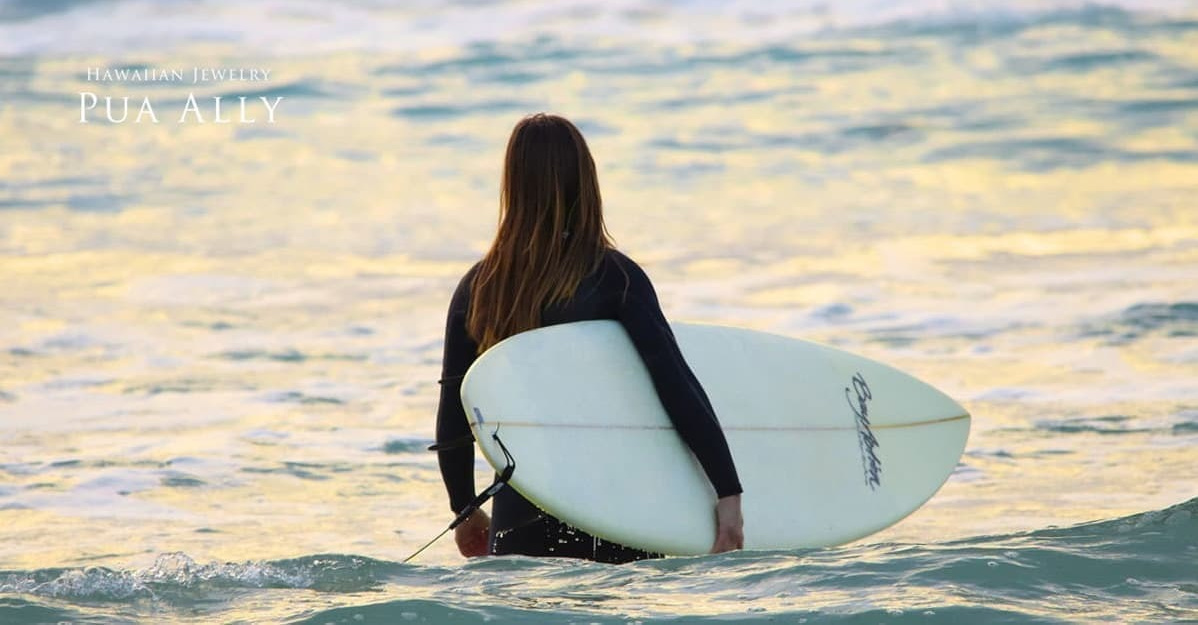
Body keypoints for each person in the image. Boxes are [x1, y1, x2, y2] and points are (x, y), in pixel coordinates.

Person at [434, 113, 744, 564]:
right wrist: (727, 491)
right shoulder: (614, 278)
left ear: (513, 185)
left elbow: (454, 413)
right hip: (614, 506)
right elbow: (676, 387)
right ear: (586, 179)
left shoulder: (479, 286)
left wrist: (464, 509)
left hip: (521, 512)